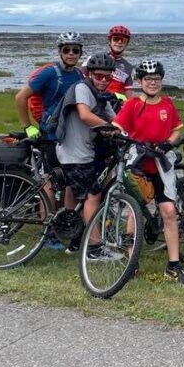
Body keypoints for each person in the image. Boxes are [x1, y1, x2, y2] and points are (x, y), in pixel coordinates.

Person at [113, 59, 184, 285]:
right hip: (139, 164)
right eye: (148, 79)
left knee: (168, 211)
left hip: (160, 164)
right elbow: (118, 127)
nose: (152, 82)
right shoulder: (132, 104)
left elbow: (176, 130)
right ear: (140, 81)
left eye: (156, 78)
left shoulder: (167, 104)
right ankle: (131, 262)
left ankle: (173, 265)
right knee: (134, 210)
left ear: (161, 81)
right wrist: (116, 136)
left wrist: (168, 143)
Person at [14, 32, 87, 247]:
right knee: (49, 182)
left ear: (80, 53)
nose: (71, 53)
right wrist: (27, 126)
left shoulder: (80, 75)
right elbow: (21, 97)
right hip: (50, 135)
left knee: (68, 182)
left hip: (71, 137)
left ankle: (67, 226)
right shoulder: (49, 73)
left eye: (75, 50)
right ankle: (48, 232)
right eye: (66, 49)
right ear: (59, 51)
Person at [54, 53, 119, 253]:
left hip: (79, 152)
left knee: (74, 191)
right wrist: (109, 127)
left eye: (108, 77)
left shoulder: (101, 96)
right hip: (75, 154)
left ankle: (75, 239)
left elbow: (118, 121)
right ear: (89, 74)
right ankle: (94, 248)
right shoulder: (82, 88)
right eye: (99, 76)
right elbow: (84, 115)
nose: (103, 80)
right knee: (93, 195)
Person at [85, 25, 134, 98]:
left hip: (115, 102)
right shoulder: (93, 59)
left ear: (126, 44)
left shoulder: (129, 68)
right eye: (116, 39)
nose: (119, 42)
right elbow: (80, 81)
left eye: (123, 40)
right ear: (110, 41)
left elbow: (129, 96)